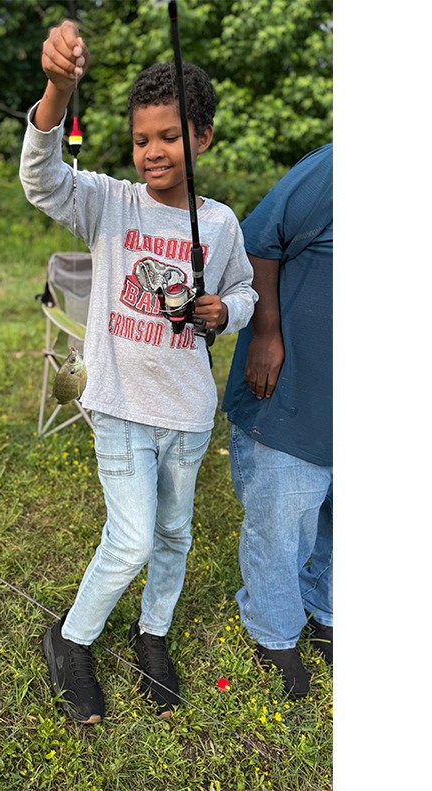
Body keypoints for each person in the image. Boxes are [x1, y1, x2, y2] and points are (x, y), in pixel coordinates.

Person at [20, 20, 257, 724]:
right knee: (129, 538)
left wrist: (224, 312)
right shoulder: (107, 203)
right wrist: (58, 90)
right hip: (121, 404)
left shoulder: (218, 224)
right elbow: (40, 177)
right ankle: (69, 639)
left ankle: (151, 632)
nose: (152, 151)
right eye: (140, 138)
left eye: (168, 137)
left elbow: (242, 289)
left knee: (174, 535)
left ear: (202, 137)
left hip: (186, 413)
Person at [221, 144, 333, 698]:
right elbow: (258, 238)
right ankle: (275, 633)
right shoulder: (337, 167)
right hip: (291, 393)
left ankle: (326, 611)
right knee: (282, 517)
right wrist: (266, 335)